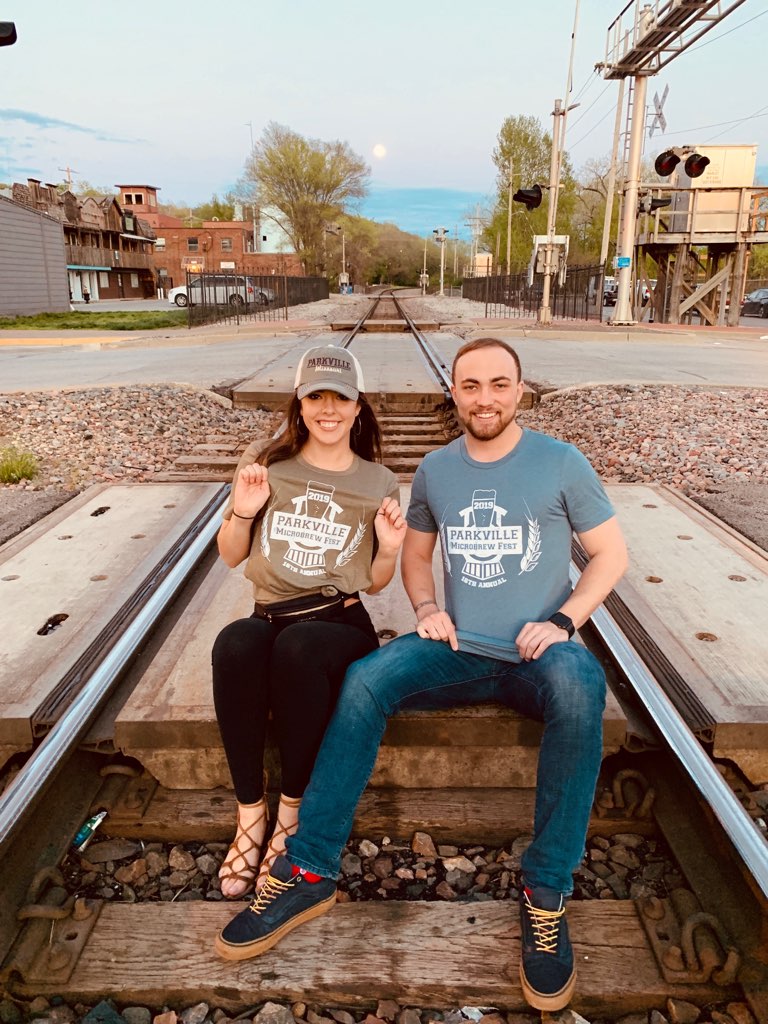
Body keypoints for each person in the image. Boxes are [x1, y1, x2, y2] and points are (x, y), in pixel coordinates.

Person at [214, 338, 628, 1013]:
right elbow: (414, 555)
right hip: (459, 648)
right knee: (369, 678)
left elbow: (611, 554)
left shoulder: (560, 462)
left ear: (519, 391)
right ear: (455, 394)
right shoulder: (436, 470)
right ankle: (311, 868)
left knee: (584, 690)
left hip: (538, 654)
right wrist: (429, 607)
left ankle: (545, 891)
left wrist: (565, 619)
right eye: (471, 386)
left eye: (499, 384)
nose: (485, 398)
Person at [211, 344, 405, 900]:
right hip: (270, 612)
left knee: (297, 648)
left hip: (337, 623)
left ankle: (291, 809)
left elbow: (375, 582)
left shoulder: (378, 480)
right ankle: (251, 812)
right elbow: (230, 555)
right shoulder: (269, 468)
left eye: (339, 397)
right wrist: (245, 509)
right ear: (298, 406)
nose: (328, 408)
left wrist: (389, 547)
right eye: (315, 396)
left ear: (357, 407)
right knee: (236, 642)